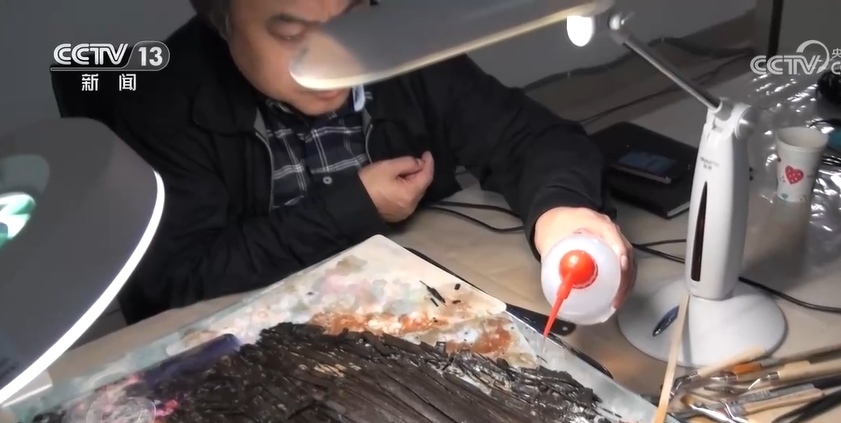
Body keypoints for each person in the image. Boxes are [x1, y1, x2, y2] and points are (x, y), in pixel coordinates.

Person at [106, 0, 636, 324]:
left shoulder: (401, 48)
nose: (333, 54)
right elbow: (177, 283)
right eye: (290, 34)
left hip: (412, 314)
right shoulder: (160, 98)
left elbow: (528, 136)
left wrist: (561, 211)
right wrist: (353, 206)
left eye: (351, 21)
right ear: (221, 21)